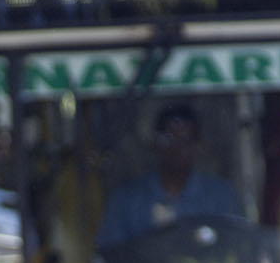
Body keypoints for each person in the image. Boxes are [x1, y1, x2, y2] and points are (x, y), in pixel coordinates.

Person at [94, 101, 240, 249]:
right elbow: (109, 254)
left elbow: (236, 249)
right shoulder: (127, 199)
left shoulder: (221, 196)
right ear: (155, 143)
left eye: (185, 141)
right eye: (169, 139)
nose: (177, 148)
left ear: (197, 145)